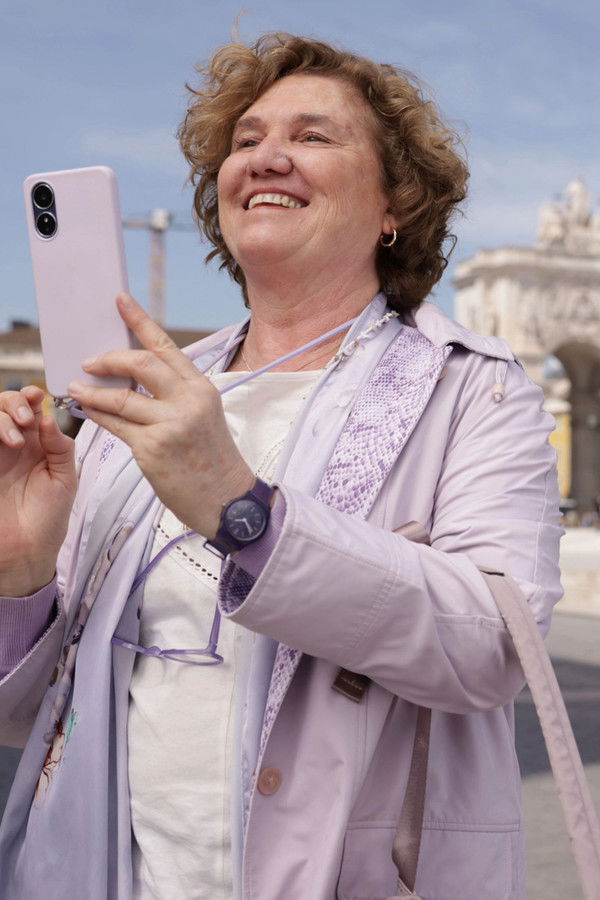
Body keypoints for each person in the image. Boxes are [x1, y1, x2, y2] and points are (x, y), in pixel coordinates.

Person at [0, 32, 562, 900]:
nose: (266, 157)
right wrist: (22, 573)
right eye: (246, 140)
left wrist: (241, 508)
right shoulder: (138, 403)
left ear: (395, 204)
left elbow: (492, 647)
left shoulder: (475, 391)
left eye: (312, 136)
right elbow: (29, 718)